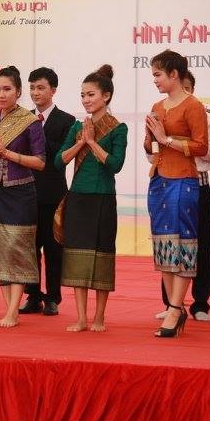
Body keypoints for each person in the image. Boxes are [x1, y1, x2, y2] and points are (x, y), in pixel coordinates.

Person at [0, 65, 45, 328]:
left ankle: (13, 310)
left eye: (7, 89)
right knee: (1, 249)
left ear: (18, 92)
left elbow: (40, 162)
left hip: (22, 193)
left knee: (19, 249)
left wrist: (10, 155)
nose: (1, 94)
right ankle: (9, 309)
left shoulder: (30, 122)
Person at [56, 65, 127, 332]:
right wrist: (81, 142)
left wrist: (93, 142)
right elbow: (58, 161)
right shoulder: (77, 127)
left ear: (106, 96)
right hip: (78, 198)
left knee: (102, 256)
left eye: (91, 94)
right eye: (83, 95)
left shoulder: (118, 128)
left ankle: (99, 317)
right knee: (77, 256)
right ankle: (81, 318)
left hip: (103, 198)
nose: (86, 100)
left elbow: (115, 164)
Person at [144, 50, 209, 338]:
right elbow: (151, 146)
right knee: (164, 243)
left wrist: (166, 138)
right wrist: (151, 139)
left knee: (183, 242)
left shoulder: (193, 105)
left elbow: (201, 146)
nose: (155, 80)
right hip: (159, 179)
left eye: (158, 74)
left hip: (183, 179)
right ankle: (174, 306)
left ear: (174, 74)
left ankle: (175, 307)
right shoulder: (157, 106)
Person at [157, 70, 210, 322]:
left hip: (198, 185)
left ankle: (200, 303)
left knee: (200, 246)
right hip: (168, 183)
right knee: (168, 243)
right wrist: (161, 142)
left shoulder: (205, 115)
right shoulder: (161, 112)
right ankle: (172, 304)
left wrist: (177, 142)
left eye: (186, 89)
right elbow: (152, 153)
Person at [20, 67, 75, 317]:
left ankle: (53, 297)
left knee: (54, 249)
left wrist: (37, 132)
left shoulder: (67, 120)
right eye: (32, 88)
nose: (35, 92)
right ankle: (33, 295)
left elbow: (60, 156)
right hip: (26, 192)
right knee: (30, 248)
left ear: (53, 90)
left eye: (40, 88)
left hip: (53, 194)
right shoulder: (23, 118)